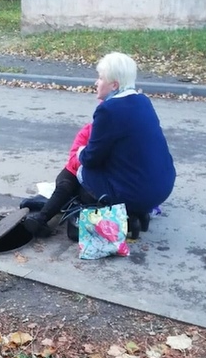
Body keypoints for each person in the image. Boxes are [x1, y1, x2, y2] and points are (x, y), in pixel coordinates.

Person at [22, 52, 176, 239]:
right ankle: (136, 214)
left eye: (101, 78)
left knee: (75, 174)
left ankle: (44, 217)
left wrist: (79, 152)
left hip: (133, 192)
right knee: (88, 174)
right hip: (161, 188)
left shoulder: (108, 110)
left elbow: (91, 159)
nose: (96, 82)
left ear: (114, 85)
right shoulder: (143, 101)